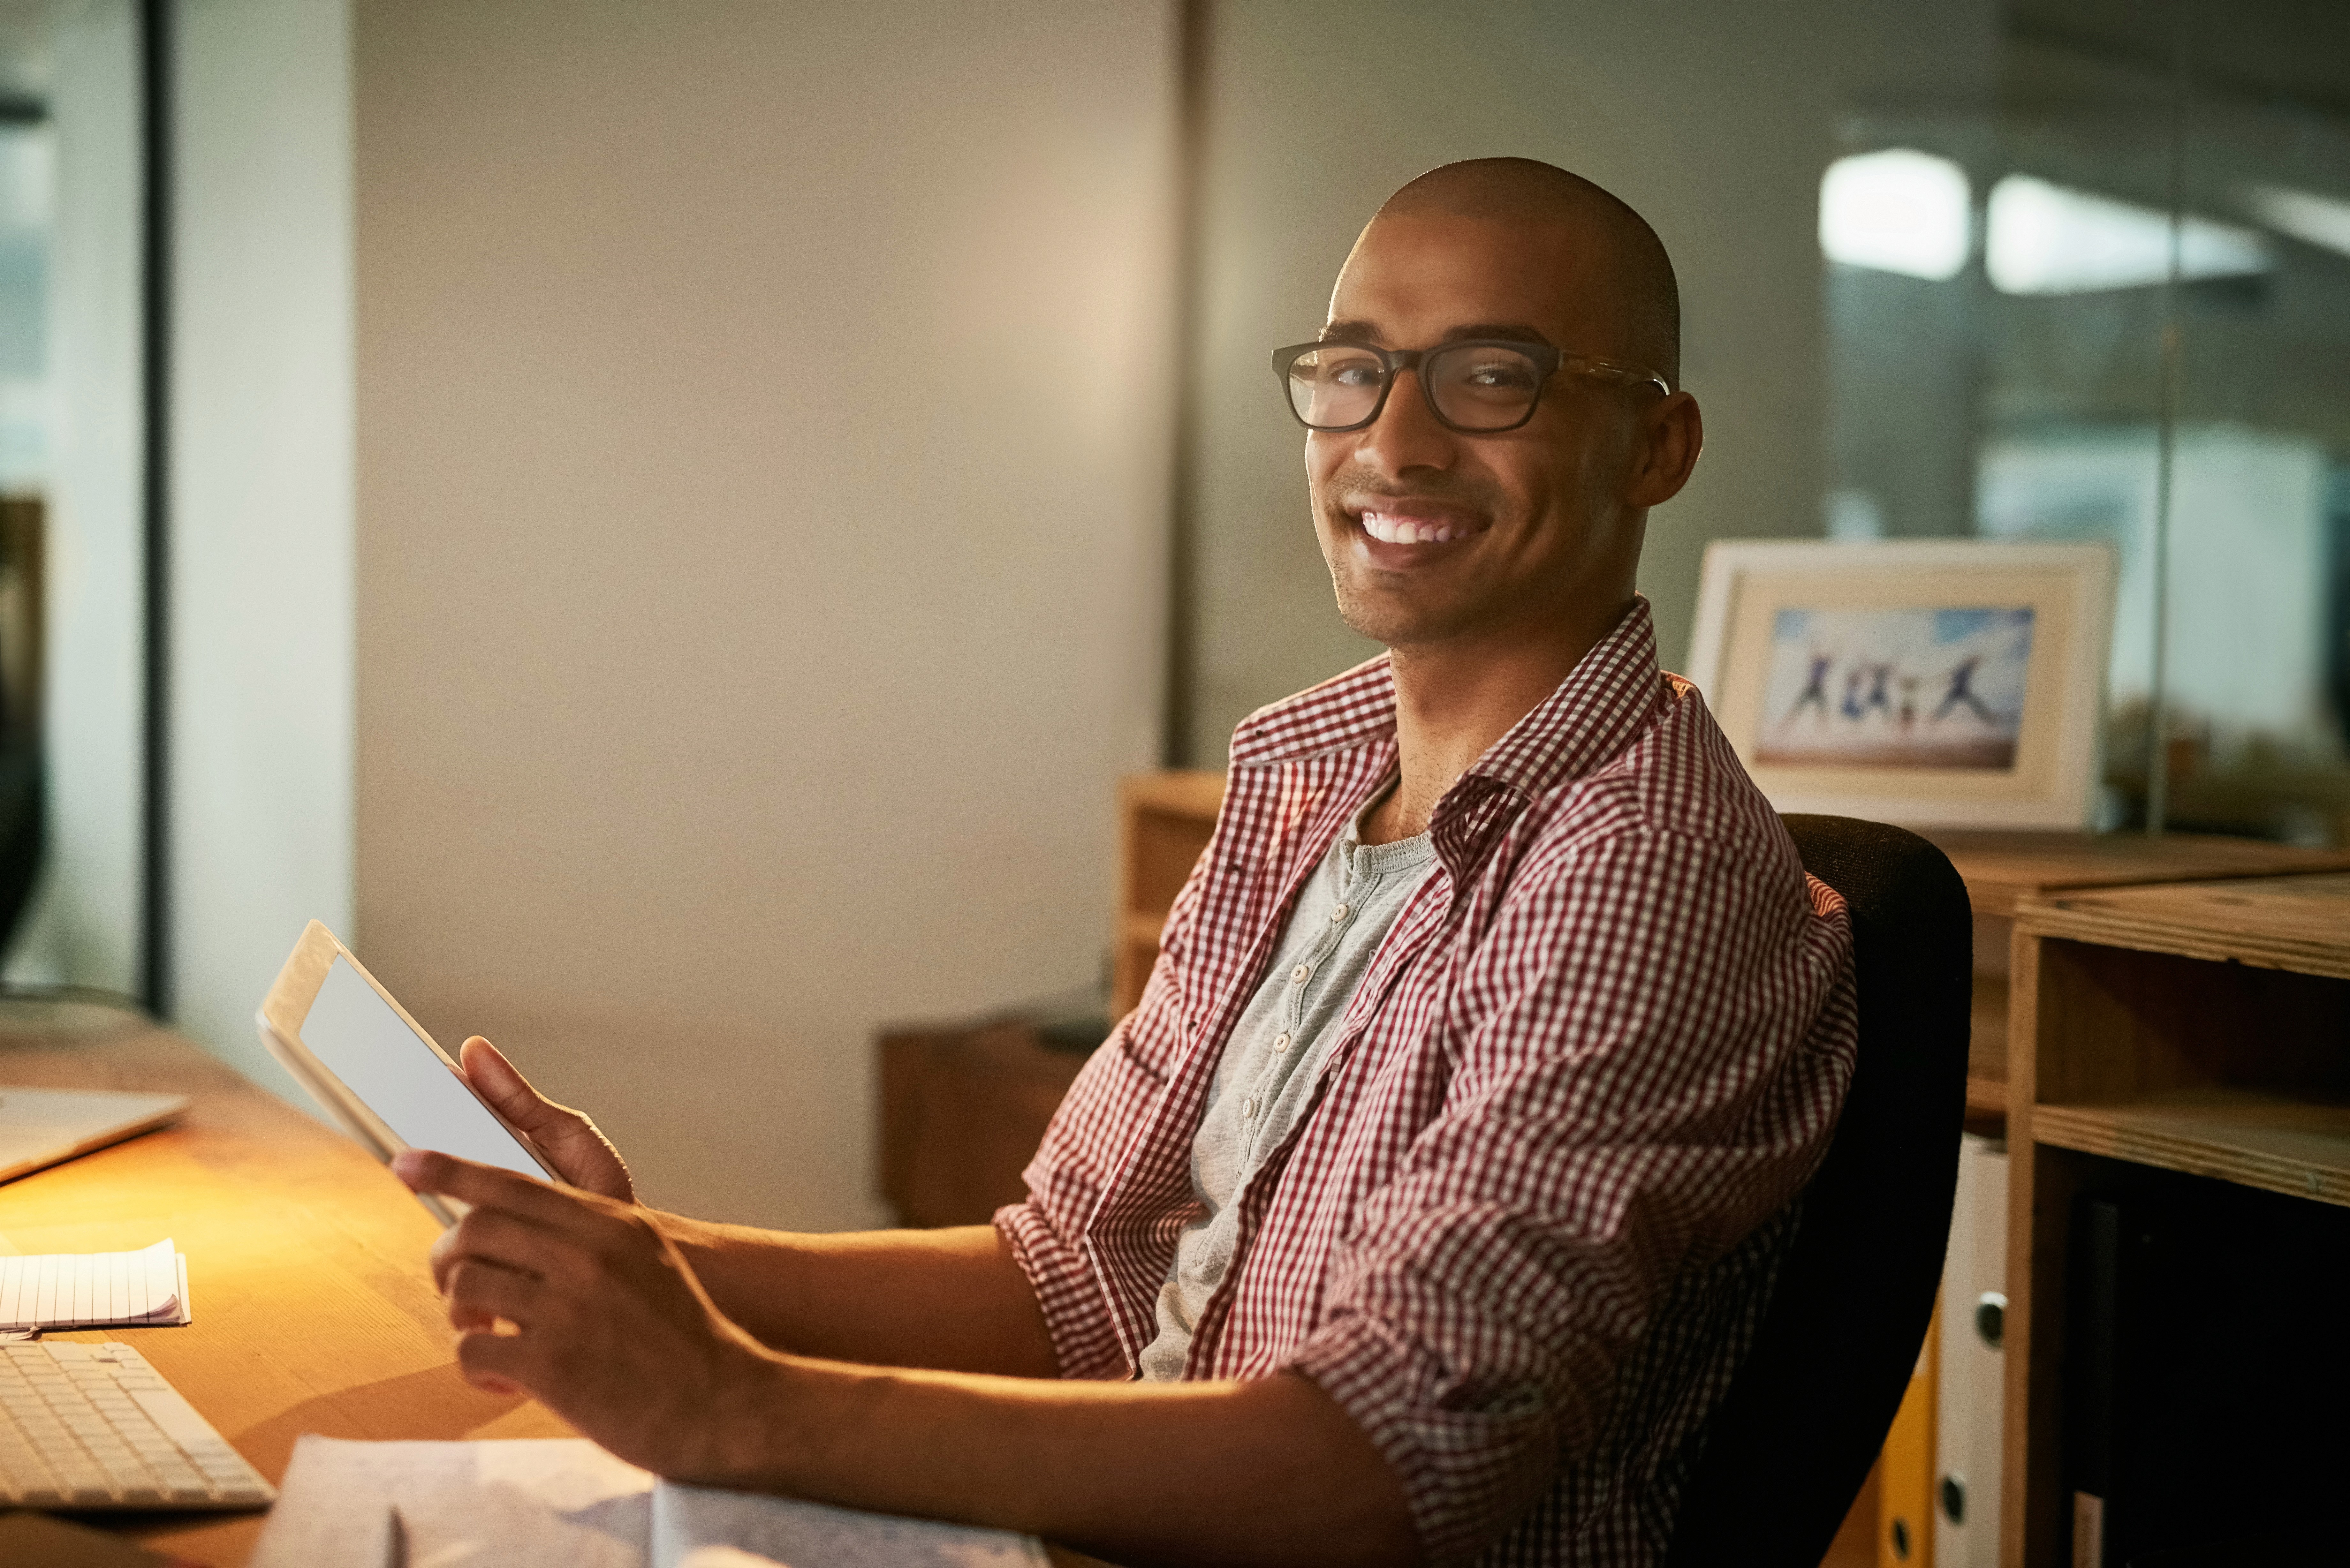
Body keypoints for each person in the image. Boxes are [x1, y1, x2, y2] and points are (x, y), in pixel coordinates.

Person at [396, 157, 1858, 1567]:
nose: (1393, 443)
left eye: (1491, 378)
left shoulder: (1641, 873)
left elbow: (1383, 1464)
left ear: (1656, 448)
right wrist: (635, 1258)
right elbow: (1074, 1274)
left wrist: (732, 1405)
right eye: (1354, 370)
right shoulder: (1316, 779)